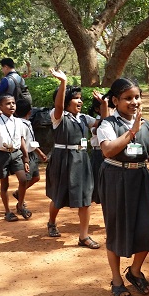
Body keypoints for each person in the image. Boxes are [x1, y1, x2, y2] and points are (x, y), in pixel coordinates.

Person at [96, 78, 149, 296]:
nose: (134, 102)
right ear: (115, 100)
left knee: (147, 228)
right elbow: (108, 151)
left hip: (141, 179)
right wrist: (131, 131)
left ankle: (135, 271)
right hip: (116, 179)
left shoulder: (146, 125)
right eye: (127, 98)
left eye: (136, 97)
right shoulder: (107, 124)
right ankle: (116, 280)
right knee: (117, 230)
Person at [45, 69, 101, 247]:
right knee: (59, 197)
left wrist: (104, 104)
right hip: (63, 160)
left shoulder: (84, 118)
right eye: (76, 98)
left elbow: (104, 124)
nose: (80, 101)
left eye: (80, 98)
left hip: (82, 159)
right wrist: (63, 83)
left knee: (85, 199)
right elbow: (59, 107)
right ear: (67, 100)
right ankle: (52, 222)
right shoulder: (58, 117)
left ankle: (83, 236)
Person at [0, 94, 30, 222]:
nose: (11, 106)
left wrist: (25, 158)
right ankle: (7, 211)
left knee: (23, 180)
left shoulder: (19, 121)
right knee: (4, 184)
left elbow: (22, 140)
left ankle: (20, 205)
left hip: (16, 154)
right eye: (7, 103)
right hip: (2, 154)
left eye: (13, 103)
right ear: (0, 106)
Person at [13, 99, 48, 206]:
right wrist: (25, 158)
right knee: (24, 180)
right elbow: (22, 141)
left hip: (32, 154)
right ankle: (21, 202)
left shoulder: (27, 123)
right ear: (30, 112)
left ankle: (19, 193)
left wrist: (39, 152)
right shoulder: (20, 124)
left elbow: (30, 141)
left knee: (36, 177)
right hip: (25, 155)